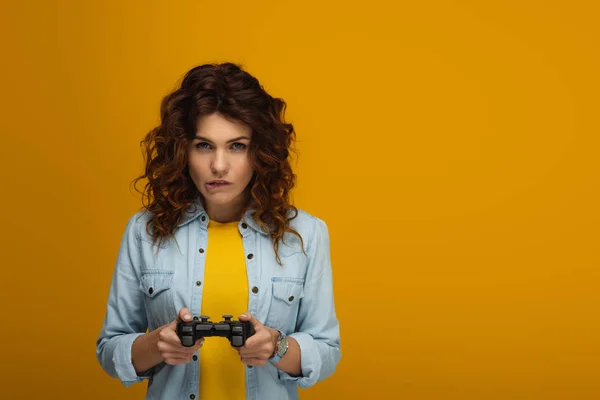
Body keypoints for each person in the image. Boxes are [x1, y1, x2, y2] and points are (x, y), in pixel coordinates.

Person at [95, 62, 341, 400]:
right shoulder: (145, 231)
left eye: (237, 145)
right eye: (204, 145)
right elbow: (110, 349)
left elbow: (327, 351)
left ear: (260, 152)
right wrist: (156, 345)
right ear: (183, 150)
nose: (219, 166)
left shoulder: (306, 233)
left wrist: (276, 345)